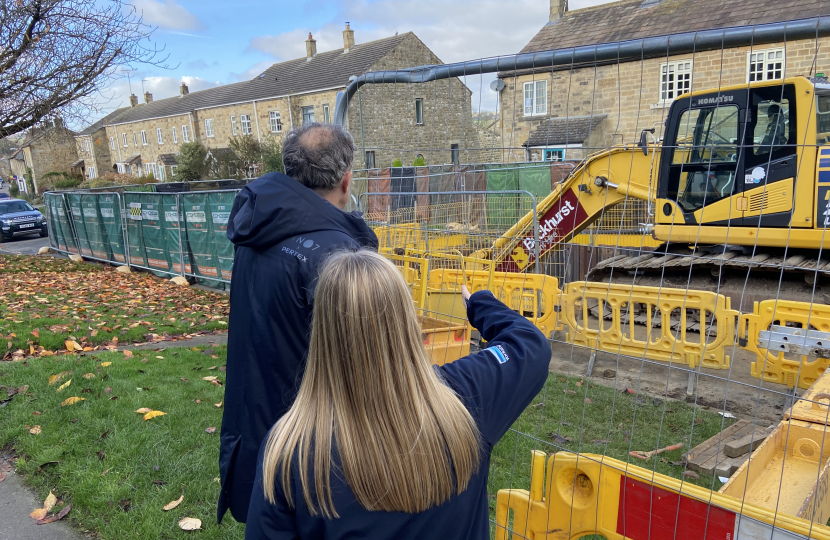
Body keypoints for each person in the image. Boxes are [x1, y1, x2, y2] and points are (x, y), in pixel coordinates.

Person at [245, 250, 551, 539]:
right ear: (406, 319)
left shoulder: (289, 452)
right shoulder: (468, 395)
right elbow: (529, 343)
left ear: (322, 327)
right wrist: (480, 304)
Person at [218, 123, 379, 524]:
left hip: (258, 418)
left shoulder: (259, 227)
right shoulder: (339, 255)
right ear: (346, 180)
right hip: (318, 446)